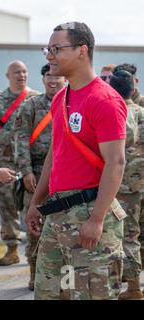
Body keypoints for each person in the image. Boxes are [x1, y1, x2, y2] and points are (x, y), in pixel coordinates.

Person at [27, 21, 127, 300]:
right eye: (47, 49)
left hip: (89, 213)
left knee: (91, 294)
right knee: (48, 294)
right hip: (57, 216)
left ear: (82, 50)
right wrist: (37, 202)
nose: (49, 55)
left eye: (56, 49)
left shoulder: (104, 100)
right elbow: (54, 155)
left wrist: (97, 219)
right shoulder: (61, 97)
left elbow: (116, 162)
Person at [13, 63, 65, 291]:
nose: (53, 81)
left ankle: (64, 280)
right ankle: (35, 274)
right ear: (43, 79)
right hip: (35, 175)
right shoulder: (31, 105)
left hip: (65, 175)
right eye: (48, 76)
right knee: (35, 226)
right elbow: (21, 138)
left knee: (65, 228)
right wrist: (25, 171)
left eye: (57, 76)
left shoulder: (71, 102)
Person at [0, 60, 39, 266]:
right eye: (16, 72)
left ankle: (34, 252)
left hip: (30, 165)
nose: (21, 75)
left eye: (24, 71)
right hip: (4, 164)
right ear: (8, 76)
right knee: (6, 207)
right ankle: (12, 248)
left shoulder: (36, 99)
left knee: (31, 207)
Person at [109, 70, 144, 300]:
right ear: (133, 88)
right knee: (135, 235)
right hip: (139, 184)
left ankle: (132, 288)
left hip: (120, 186)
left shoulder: (115, 112)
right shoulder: (141, 112)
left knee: (122, 237)